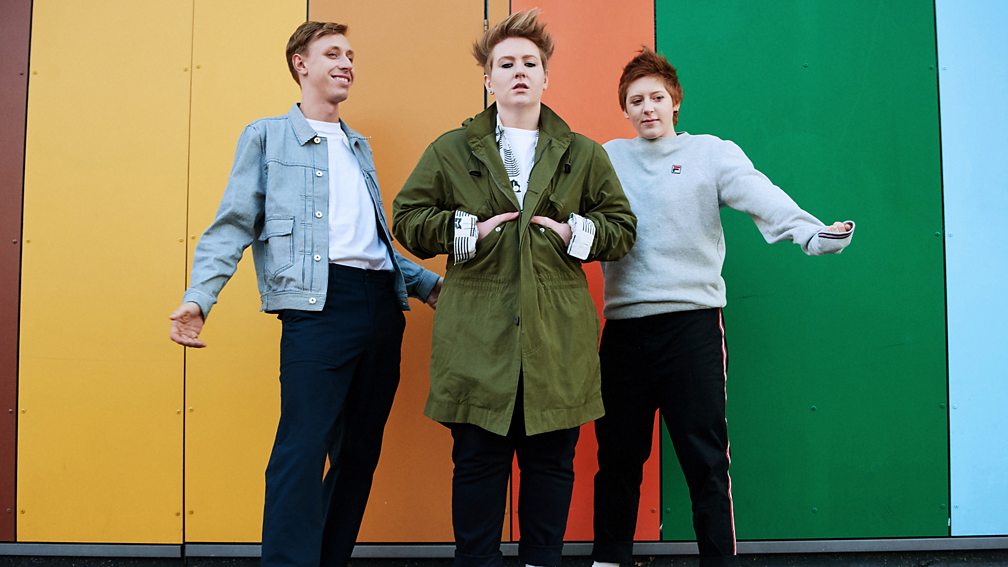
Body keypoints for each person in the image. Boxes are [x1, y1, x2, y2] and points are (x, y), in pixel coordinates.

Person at [167, 21, 442, 567]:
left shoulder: (358, 146)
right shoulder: (267, 137)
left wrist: (429, 286)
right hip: (318, 308)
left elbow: (371, 243)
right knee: (301, 448)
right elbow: (232, 225)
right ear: (301, 63)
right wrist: (200, 298)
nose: (347, 64)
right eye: (333, 53)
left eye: (350, 56)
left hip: (381, 305)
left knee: (359, 453)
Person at [591, 48, 855, 567]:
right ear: (624, 109)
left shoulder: (711, 153)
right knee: (618, 456)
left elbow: (761, 195)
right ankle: (609, 559)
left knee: (705, 460)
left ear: (675, 102)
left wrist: (808, 232)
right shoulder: (607, 158)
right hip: (624, 329)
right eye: (636, 100)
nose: (647, 108)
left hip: (692, 327)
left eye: (656, 98)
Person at [392, 10, 636, 567]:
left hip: (557, 339)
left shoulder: (583, 153)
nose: (519, 72)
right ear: (488, 79)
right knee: (477, 464)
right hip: (476, 339)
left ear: (547, 77)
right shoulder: (452, 149)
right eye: (506, 64)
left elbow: (622, 228)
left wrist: (574, 233)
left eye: (530, 63)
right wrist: (466, 231)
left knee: (551, 465)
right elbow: (405, 218)